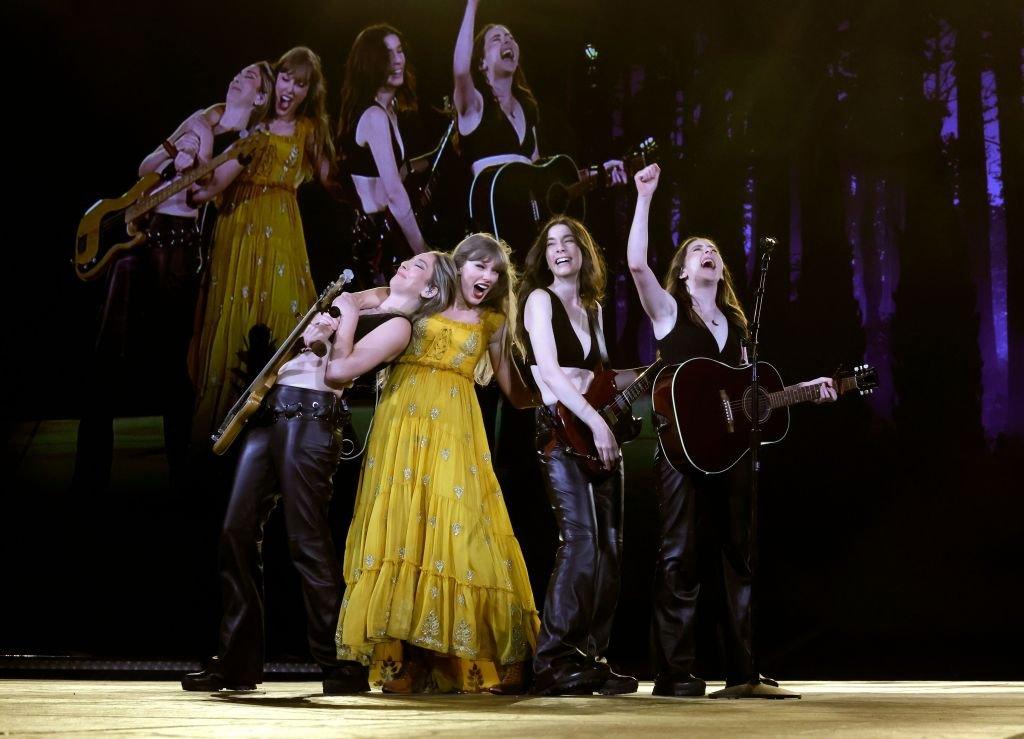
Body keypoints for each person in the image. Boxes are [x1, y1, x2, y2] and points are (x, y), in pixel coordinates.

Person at [181, 251, 458, 693]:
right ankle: (236, 661)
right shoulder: (376, 302)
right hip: (271, 409)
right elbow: (352, 297)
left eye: (418, 266)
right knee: (236, 531)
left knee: (305, 540)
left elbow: (339, 371)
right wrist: (342, 312)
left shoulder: (400, 327)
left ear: (430, 289)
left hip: (312, 420)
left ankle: (340, 665)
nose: (406, 263)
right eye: (408, 260)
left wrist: (338, 327)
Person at [626, 164, 837, 696]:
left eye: (713, 250)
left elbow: (747, 397)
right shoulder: (669, 311)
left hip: (732, 453)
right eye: (697, 249)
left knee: (737, 556)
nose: (708, 253)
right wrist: (644, 197)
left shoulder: (739, 327)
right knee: (679, 555)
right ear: (683, 268)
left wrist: (809, 388)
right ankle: (675, 674)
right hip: (680, 449)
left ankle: (743, 673)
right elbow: (634, 263)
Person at [334, 233, 540, 694]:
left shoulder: (492, 321)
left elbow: (514, 389)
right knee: (404, 531)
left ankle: (471, 655)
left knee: (459, 534)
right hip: (401, 428)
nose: (486, 277)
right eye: (478, 267)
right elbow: (365, 299)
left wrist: (562, 396)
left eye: (494, 272)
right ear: (458, 265)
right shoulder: (423, 297)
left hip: (455, 433)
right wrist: (354, 303)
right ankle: (405, 660)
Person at [72, 62, 274, 494]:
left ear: (260, 98)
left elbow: (205, 192)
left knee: (172, 371)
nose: (239, 76)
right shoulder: (203, 117)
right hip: (137, 241)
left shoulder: (243, 143)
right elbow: (146, 165)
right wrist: (174, 149)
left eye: (252, 77)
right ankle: (88, 481)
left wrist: (197, 162)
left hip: (179, 249)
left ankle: (184, 485)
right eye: (238, 72)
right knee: (104, 360)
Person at [189, 47, 337, 441]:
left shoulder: (309, 129)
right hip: (238, 226)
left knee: (283, 312)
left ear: (309, 91)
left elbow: (332, 180)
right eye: (286, 78)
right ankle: (223, 427)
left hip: (284, 230)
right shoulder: (253, 122)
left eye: (300, 83)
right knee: (234, 313)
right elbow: (213, 174)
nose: (290, 88)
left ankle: (284, 425)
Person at [517, 217, 638, 696]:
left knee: (610, 547)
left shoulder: (593, 307)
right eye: (550, 244)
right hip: (562, 433)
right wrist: (597, 421)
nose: (560, 249)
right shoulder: (539, 301)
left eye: (569, 242)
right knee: (581, 542)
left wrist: (656, 369)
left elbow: (602, 376)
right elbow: (550, 370)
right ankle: (553, 658)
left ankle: (590, 657)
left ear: (584, 252)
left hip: (595, 432)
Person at [452, 0, 626, 255]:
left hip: (529, 236)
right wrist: (472, 6)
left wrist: (598, 174)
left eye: (510, 37)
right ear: (481, 63)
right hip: (491, 236)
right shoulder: (474, 105)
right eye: (497, 39)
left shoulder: (528, 108)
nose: (507, 41)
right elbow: (459, 70)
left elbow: (539, 177)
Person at [337, 23, 428, 285]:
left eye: (400, 51)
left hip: (383, 236)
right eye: (388, 55)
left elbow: (393, 172)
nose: (398, 60)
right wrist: (423, 252)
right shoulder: (374, 115)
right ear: (369, 63)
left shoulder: (389, 110)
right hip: (373, 244)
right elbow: (393, 192)